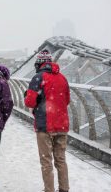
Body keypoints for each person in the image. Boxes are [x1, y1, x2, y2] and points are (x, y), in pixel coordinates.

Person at [24, 49, 70, 192]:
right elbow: (67, 100)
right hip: (62, 125)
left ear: (39, 63)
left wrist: (29, 96)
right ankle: (64, 189)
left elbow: (30, 102)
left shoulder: (38, 78)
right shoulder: (63, 78)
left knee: (46, 161)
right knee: (61, 160)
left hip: (45, 126)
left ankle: (49, 189)